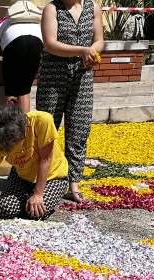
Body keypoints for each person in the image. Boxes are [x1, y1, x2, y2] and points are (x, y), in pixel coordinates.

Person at [35, 0, 103, 204]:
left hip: (81, 77)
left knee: (79, 130)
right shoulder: (52, 8)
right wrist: (81, 50)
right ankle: (42, 180)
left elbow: (99, 40)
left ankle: (73, 183)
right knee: (47, 129)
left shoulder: (93, 8)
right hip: (53, 77)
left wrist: (92, 51)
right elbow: (50, 44)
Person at [0, 101, 68, 221]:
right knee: (5, 209)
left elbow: (46, 159)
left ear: (25, 124)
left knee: (36, 212)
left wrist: (38, 194)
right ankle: (27, 197)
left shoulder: (42, 121)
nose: (15, 144)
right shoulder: (0, 141)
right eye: (10, 142)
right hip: (22, 176)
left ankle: (35, 196)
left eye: (17, 139)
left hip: (52, 175)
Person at [0, 1, 44, 112]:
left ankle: (10, 125)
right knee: (24, 90)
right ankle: (24, 126)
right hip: (37, 42)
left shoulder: (3, 25)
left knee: (11, 90)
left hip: (15, 44)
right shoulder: (37, 25)